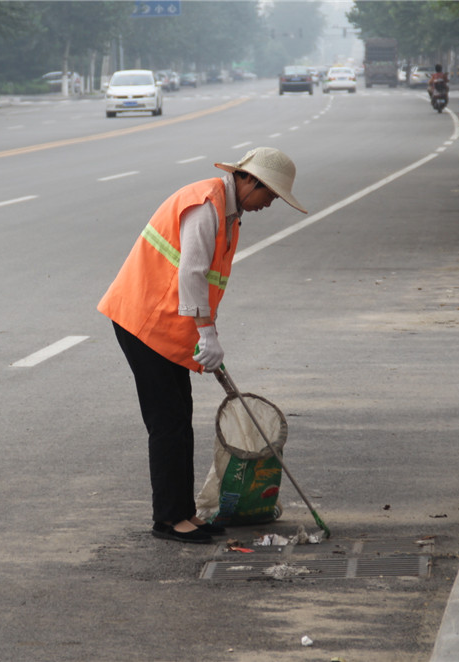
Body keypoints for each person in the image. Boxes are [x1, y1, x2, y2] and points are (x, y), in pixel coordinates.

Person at [97, 147, 307, 543]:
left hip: (166, 325)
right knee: (167, 422)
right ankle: (168, 520)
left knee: (180, 417)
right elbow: (191, 272)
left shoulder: (230, 211)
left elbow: (203, 280)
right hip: (142, 321)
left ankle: (185, 513)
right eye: (271, 194)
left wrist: (202, 334)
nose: (270, 203)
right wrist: (207, 333)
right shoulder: (205, 206)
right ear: (250, 181)